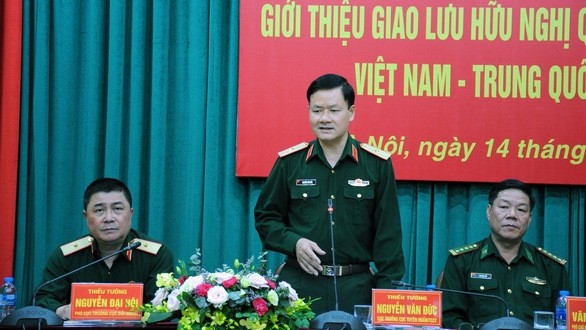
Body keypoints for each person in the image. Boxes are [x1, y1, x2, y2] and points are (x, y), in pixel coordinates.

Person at [254, 73, 405, 315]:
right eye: (317, 111)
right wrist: (295, 242)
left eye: (334, 110)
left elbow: (389, 238)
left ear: (351, 112)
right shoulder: (289, 163)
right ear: (308, 111)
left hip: (356, 289)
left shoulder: (376, 164)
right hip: (299, 287)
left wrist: (386, 299)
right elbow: (265, 218)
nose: (324, 118)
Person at [34, 178, 174, 320]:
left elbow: (162, 307)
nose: (109, 218)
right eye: (99, 210)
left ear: (131, 213)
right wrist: (63, 311)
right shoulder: (66, 256)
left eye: (117, 209)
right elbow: (42, 299)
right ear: (86, 216)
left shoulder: (156, 255)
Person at [440, 178, 571, 329]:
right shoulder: (462, 261)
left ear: (529, 219)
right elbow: (449, 316)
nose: (512, 215)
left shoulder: (551, 267)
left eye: (521, 210)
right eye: (504, 207)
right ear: (489, 212)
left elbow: (565, 321)